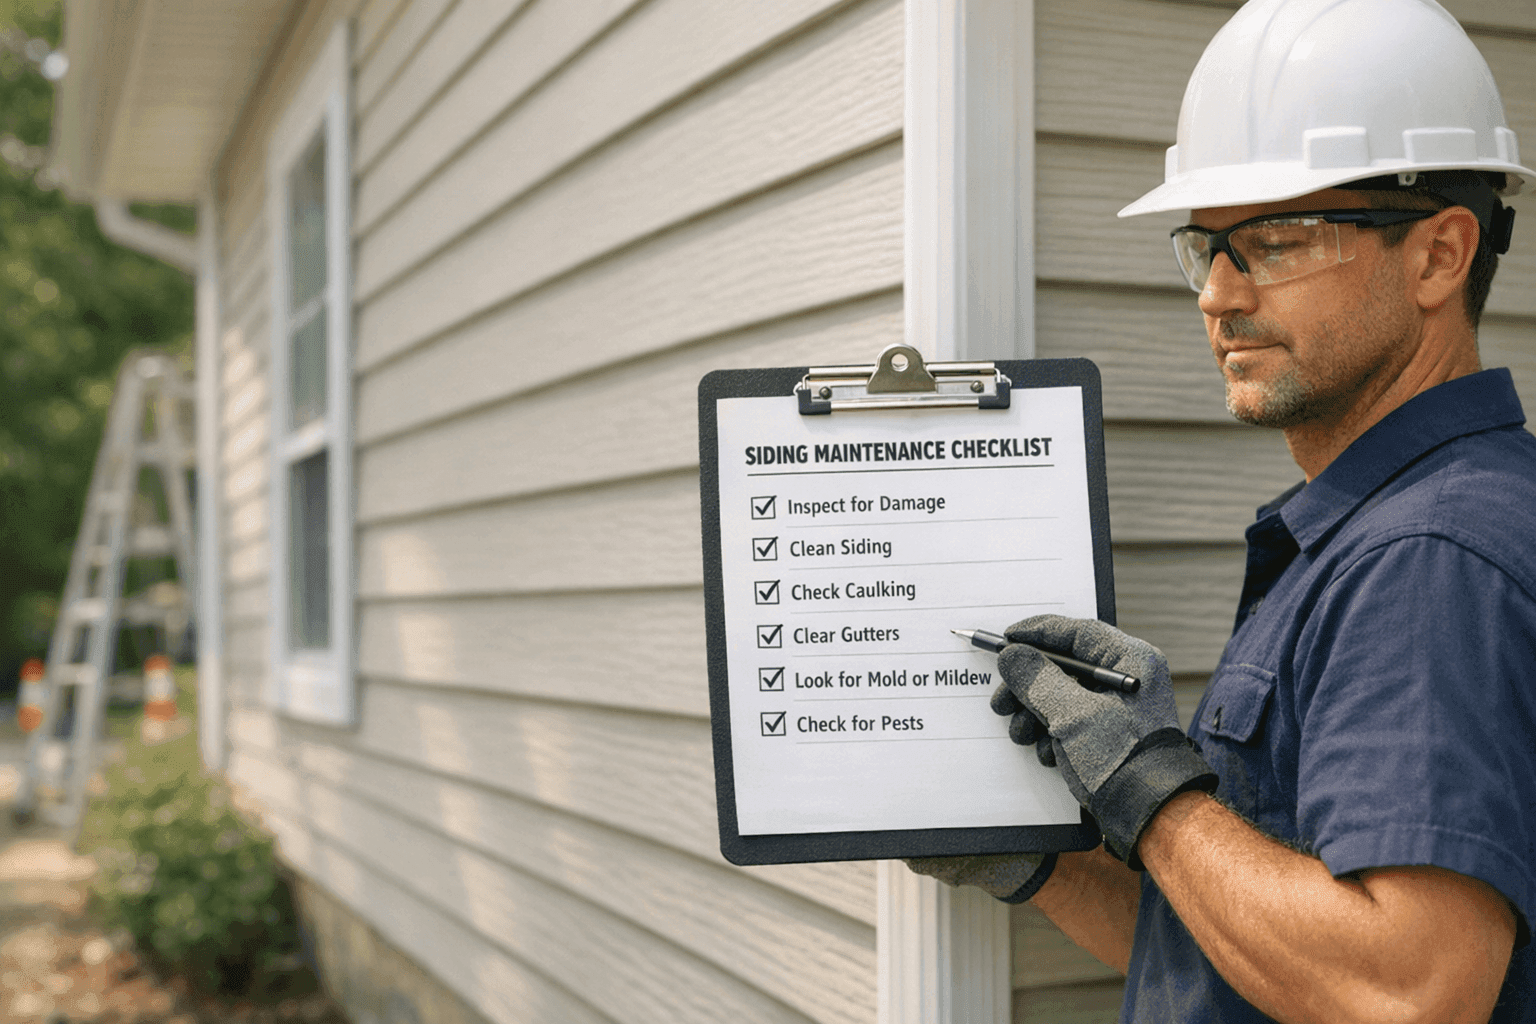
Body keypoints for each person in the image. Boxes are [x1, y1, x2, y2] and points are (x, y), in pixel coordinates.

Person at [907, 0, 1536, 1020]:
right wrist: (1046, 863)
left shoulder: (1430, 557)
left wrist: (1151, 789)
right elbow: (1250, 960)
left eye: (1277, 240)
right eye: (1207, 246)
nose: (1219, 293)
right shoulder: (1376, 532)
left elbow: (1406, 988)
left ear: (1438, 255)